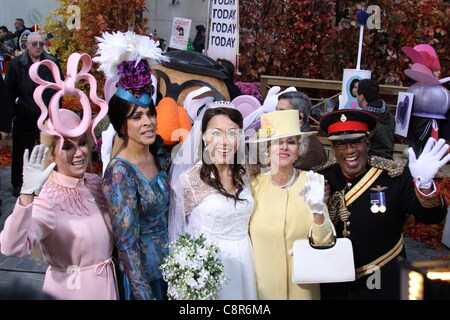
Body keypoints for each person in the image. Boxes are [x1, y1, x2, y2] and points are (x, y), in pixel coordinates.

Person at [316, 109, 450, 300]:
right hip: (334, 282)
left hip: (382, 277)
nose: (349, 150)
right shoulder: (322, 178)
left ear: (367, 143)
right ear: (333, 148)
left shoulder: (392, 177)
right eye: (340, 144)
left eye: (355, 142)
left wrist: (424, 185)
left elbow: (431, 217)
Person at [0, 108, 118, 300]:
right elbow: (11, 247)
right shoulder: (47, 197)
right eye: (67, 147)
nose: (79, 153)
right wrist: (27, 195)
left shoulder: (94, 182)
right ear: (52, 154)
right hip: (72, 292)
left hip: (108, 288)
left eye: (81, 143)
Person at [97, 31, 171, 300]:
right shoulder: (119, 174)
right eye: (137, 116)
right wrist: (142, 292)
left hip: (173, 270)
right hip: (146, 280)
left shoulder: (160, 155)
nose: (148, 122)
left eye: (150, 113)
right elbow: (126, 245)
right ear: (122, 125)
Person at [169, 102, 258, 300]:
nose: (224, 141)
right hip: (211, 267)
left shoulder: (248, 170)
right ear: (203, 136)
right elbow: (178, 232)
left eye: (232, 133)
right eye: (216, 133)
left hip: (247, 259)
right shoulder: (189, 181)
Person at [248, 109, 334, 300]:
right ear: (267, 149)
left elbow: (324, 242)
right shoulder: (253, 185)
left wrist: (318, 210)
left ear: (299, 149)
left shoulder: (313, 182)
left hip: (303, 290)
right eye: (277, 141)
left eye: (291, 142)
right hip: (262, 290)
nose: (284, 147)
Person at [4, 31, 63, 197]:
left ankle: (50, 181)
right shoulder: (17, 64)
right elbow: (9, 92)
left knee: (49, 148)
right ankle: (18, 183)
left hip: (47, 115)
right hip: (25, 113)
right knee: (22, 150)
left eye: (41, 44)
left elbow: (59, 88)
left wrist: (58, 113)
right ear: (26, 45)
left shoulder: (51, 62)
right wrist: (12, 114)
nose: (38, 47)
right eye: (34, 44)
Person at [276, 91, 327, 170]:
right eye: (276, 110)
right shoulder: (292, 137)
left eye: (282, 111)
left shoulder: (311, 149)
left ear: (300, 117)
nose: (275, 115)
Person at [356, 78, 395, 160]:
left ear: (361, 97)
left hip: (371, 164)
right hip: (389, 162)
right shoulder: (389, 114)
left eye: (357, 95)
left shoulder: (364, 120)